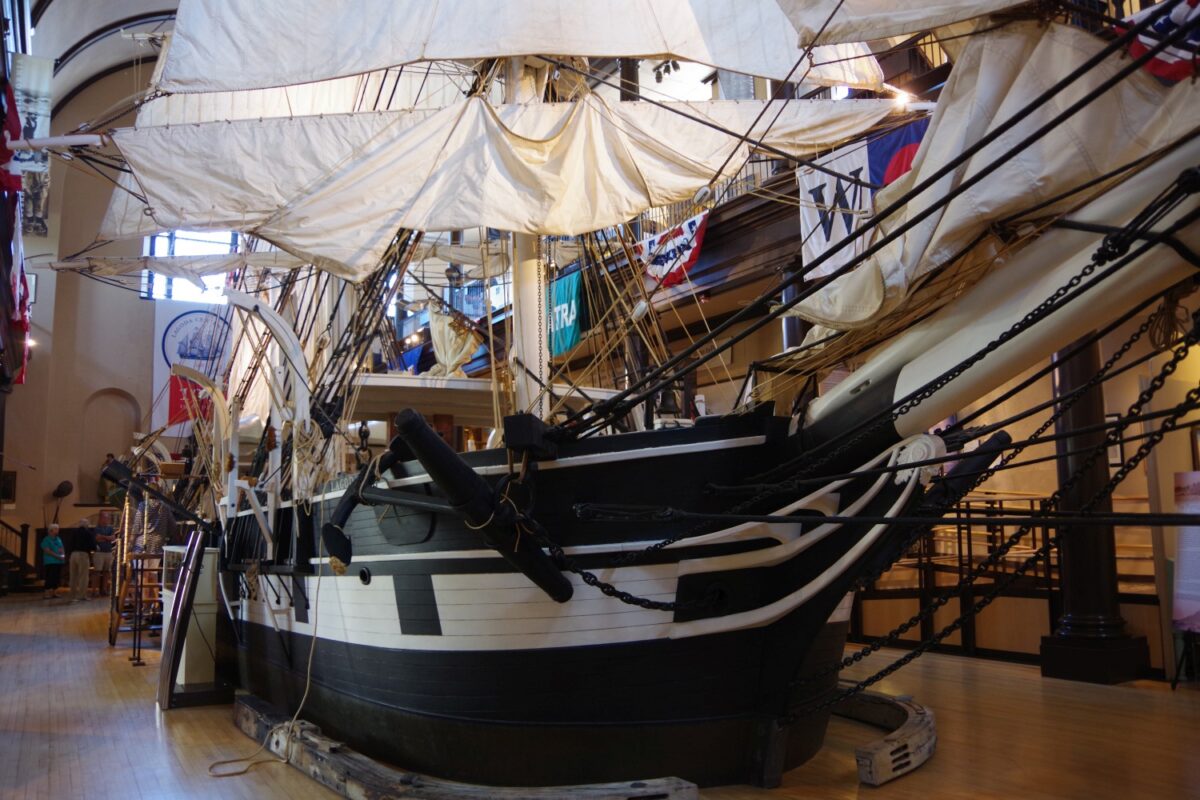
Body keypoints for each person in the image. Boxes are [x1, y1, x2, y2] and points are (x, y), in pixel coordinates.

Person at [67, 519, 96, 603]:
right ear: (86, 525)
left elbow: (69, 544)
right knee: (83, 576)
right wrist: (95, 548)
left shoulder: (73, 532)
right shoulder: (88, 533)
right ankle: (81, 596)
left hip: (73, 555)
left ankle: (72, 596)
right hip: (83, 555)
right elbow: (92, 546)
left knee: (73, 576)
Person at [93, 511, 116, 596]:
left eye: (107, 518)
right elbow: (97, 538)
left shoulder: (110, 528)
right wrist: (107, 538)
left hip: (108, 552)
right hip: (99, 553)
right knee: (97, 572)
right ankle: (95, 590)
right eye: (105, 517)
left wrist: (103, 537)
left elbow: (113, 538)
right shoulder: (97, 528)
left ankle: (104, 590)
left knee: (107, 572)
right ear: (100, 518)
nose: (106, 519)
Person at [40, 523, 65, 599]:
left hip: (59, 561)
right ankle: (46, 593)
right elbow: (47, 550)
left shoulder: (58, 539)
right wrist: (57, 556)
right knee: (50, 577)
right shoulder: (46, 539)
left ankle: (54, 592)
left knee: (56, 577)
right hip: (50, 561)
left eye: (58, 529)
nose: (58, 530)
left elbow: (61, 548)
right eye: (56, 529)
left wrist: (63, 555)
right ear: (51, 530)